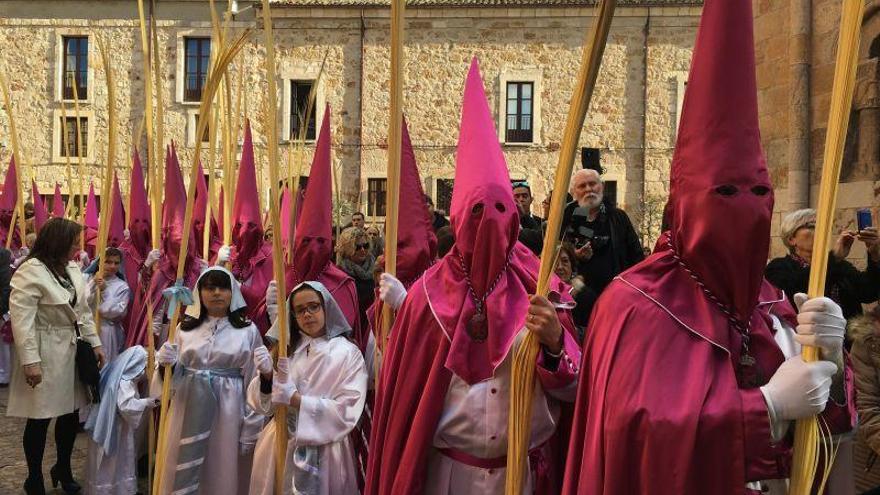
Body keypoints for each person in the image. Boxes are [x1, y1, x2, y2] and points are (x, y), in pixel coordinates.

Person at [562, 1, 855, 493]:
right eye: (724, 193)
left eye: (760, 193)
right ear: (683, 204)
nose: (745, 208)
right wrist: (766, 409)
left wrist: (829, 356)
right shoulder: (632, 303)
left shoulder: (775, 305)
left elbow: (824, 433)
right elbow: (633, 435)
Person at [366, 60, 580, 495]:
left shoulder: (544, 289)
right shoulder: (426, 298)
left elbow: (578, 392)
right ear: (460, 217)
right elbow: (400, 395)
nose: (489, 223)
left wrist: (557, 344)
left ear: (516, 217)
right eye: (478, 212)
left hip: (524, 477)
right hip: (449, 478)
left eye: (501, 209)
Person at [7, 217, 106, 495]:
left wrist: (95, 343)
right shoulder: (30, 271)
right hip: (45, 349)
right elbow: (21, 320)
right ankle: (34, 477)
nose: (78, 246)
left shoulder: (71, 268)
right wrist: (30, 362)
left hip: (72, 350)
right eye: (74, 242)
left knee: (70, 415)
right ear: (59, 241)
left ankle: (62, 466)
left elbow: (82, 312)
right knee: (40, 417)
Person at [152, 267, 266, 494]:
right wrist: (167, 365)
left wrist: (251, 427)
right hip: (189, 407)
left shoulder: (248, 331)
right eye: (210, 287)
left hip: (229, 413)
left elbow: (255, 380)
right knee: (185, 462)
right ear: (199, 293)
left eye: (223, 287)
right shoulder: (183, 330)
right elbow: (169, 385)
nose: (216, 293)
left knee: (221, 466)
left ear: (233, 291)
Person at [248, 281, 367, 495]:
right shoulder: (284, 350)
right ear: (292, 316)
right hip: (280, 442)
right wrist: (266, 377)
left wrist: (297, 400)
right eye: (300, 310)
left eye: (314, 306)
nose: (308, 314)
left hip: (326, 449)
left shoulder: (347, 352)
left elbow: (349, 408)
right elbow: (262, 406)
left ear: (326, 307)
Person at [766, 208, 880, 320]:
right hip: (803, 336)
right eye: (811, 226)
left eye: (822, 226)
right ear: (791, 239)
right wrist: (834, 257)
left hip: (844, 337)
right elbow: (798, 291)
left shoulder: (839, 265)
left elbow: (868, 292)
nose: (820, 230)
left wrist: (874, 254)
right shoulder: (777, 268)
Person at [84, 345, 158, 495]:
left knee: (108, 464)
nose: (144, 372)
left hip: (107, 425)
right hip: (116, 430)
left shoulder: (114, 374)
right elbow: (126, 406)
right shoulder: (125, 382)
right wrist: (150, 402)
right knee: (115, 464)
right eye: (143, 367)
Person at [561, 168, 643, 295]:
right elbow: (554, 254)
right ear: (574, 193)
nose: (588, 189)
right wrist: (574, 255)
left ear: (602, 187)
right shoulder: (565, 219)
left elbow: (636, 257)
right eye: (582, 186)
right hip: (577, 298)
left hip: (615, 294)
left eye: (592, 184)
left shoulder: (618, 217)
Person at [85, 247, 131, 364]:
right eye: (108, 262)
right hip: (87, 328)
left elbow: (113, 312)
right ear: (100, 262)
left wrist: (105, 291)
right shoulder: (88, 279)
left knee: (105, 364)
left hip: (107, 331)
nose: (112, 266)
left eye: (116, 263)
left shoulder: (122, 286)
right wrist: (93, 284)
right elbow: (81, 303)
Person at [554, 242, 597, 341]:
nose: (560, 267)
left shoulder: (585, 296)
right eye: (554, 261)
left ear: (571, 266)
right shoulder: (540, 293)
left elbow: (595, 332)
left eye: (565, 261)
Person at [337, 227, 376, 334]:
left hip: (371, 325)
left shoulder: (376, 269)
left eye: (365, 246)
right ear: (348, 249)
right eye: (357, 247)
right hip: (352, 326)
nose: (363, 250)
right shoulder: (340, 274)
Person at [0, 247, 14, 386]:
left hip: (1, 308)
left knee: (3, 345)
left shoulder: (3, 254)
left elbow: (5, 284)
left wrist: (2, 310)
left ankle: (4, 375)